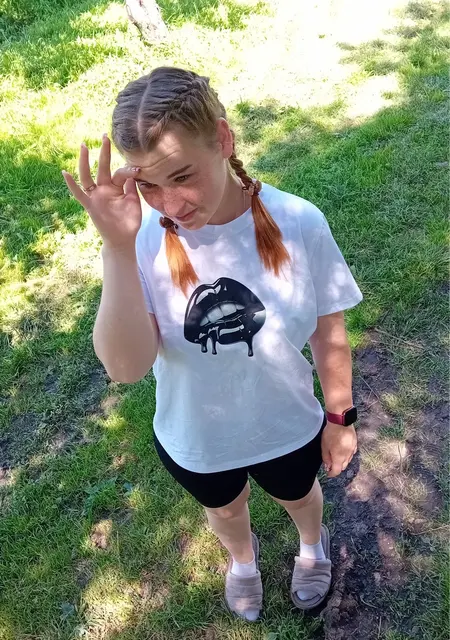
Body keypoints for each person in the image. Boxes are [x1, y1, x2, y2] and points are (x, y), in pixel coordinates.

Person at [62, 66, 363, 621]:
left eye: (182, 175)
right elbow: (126, 367)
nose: (170, 203)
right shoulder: (141, 242)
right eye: (148, 185)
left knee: (300, 496)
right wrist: (117, 248)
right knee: (224, 512)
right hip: (197, 437)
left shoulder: (299, 221)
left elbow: (329, 332)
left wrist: (340, 417)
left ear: (223, 139)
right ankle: (243, 562)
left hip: (286, 423)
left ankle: (311, 547)